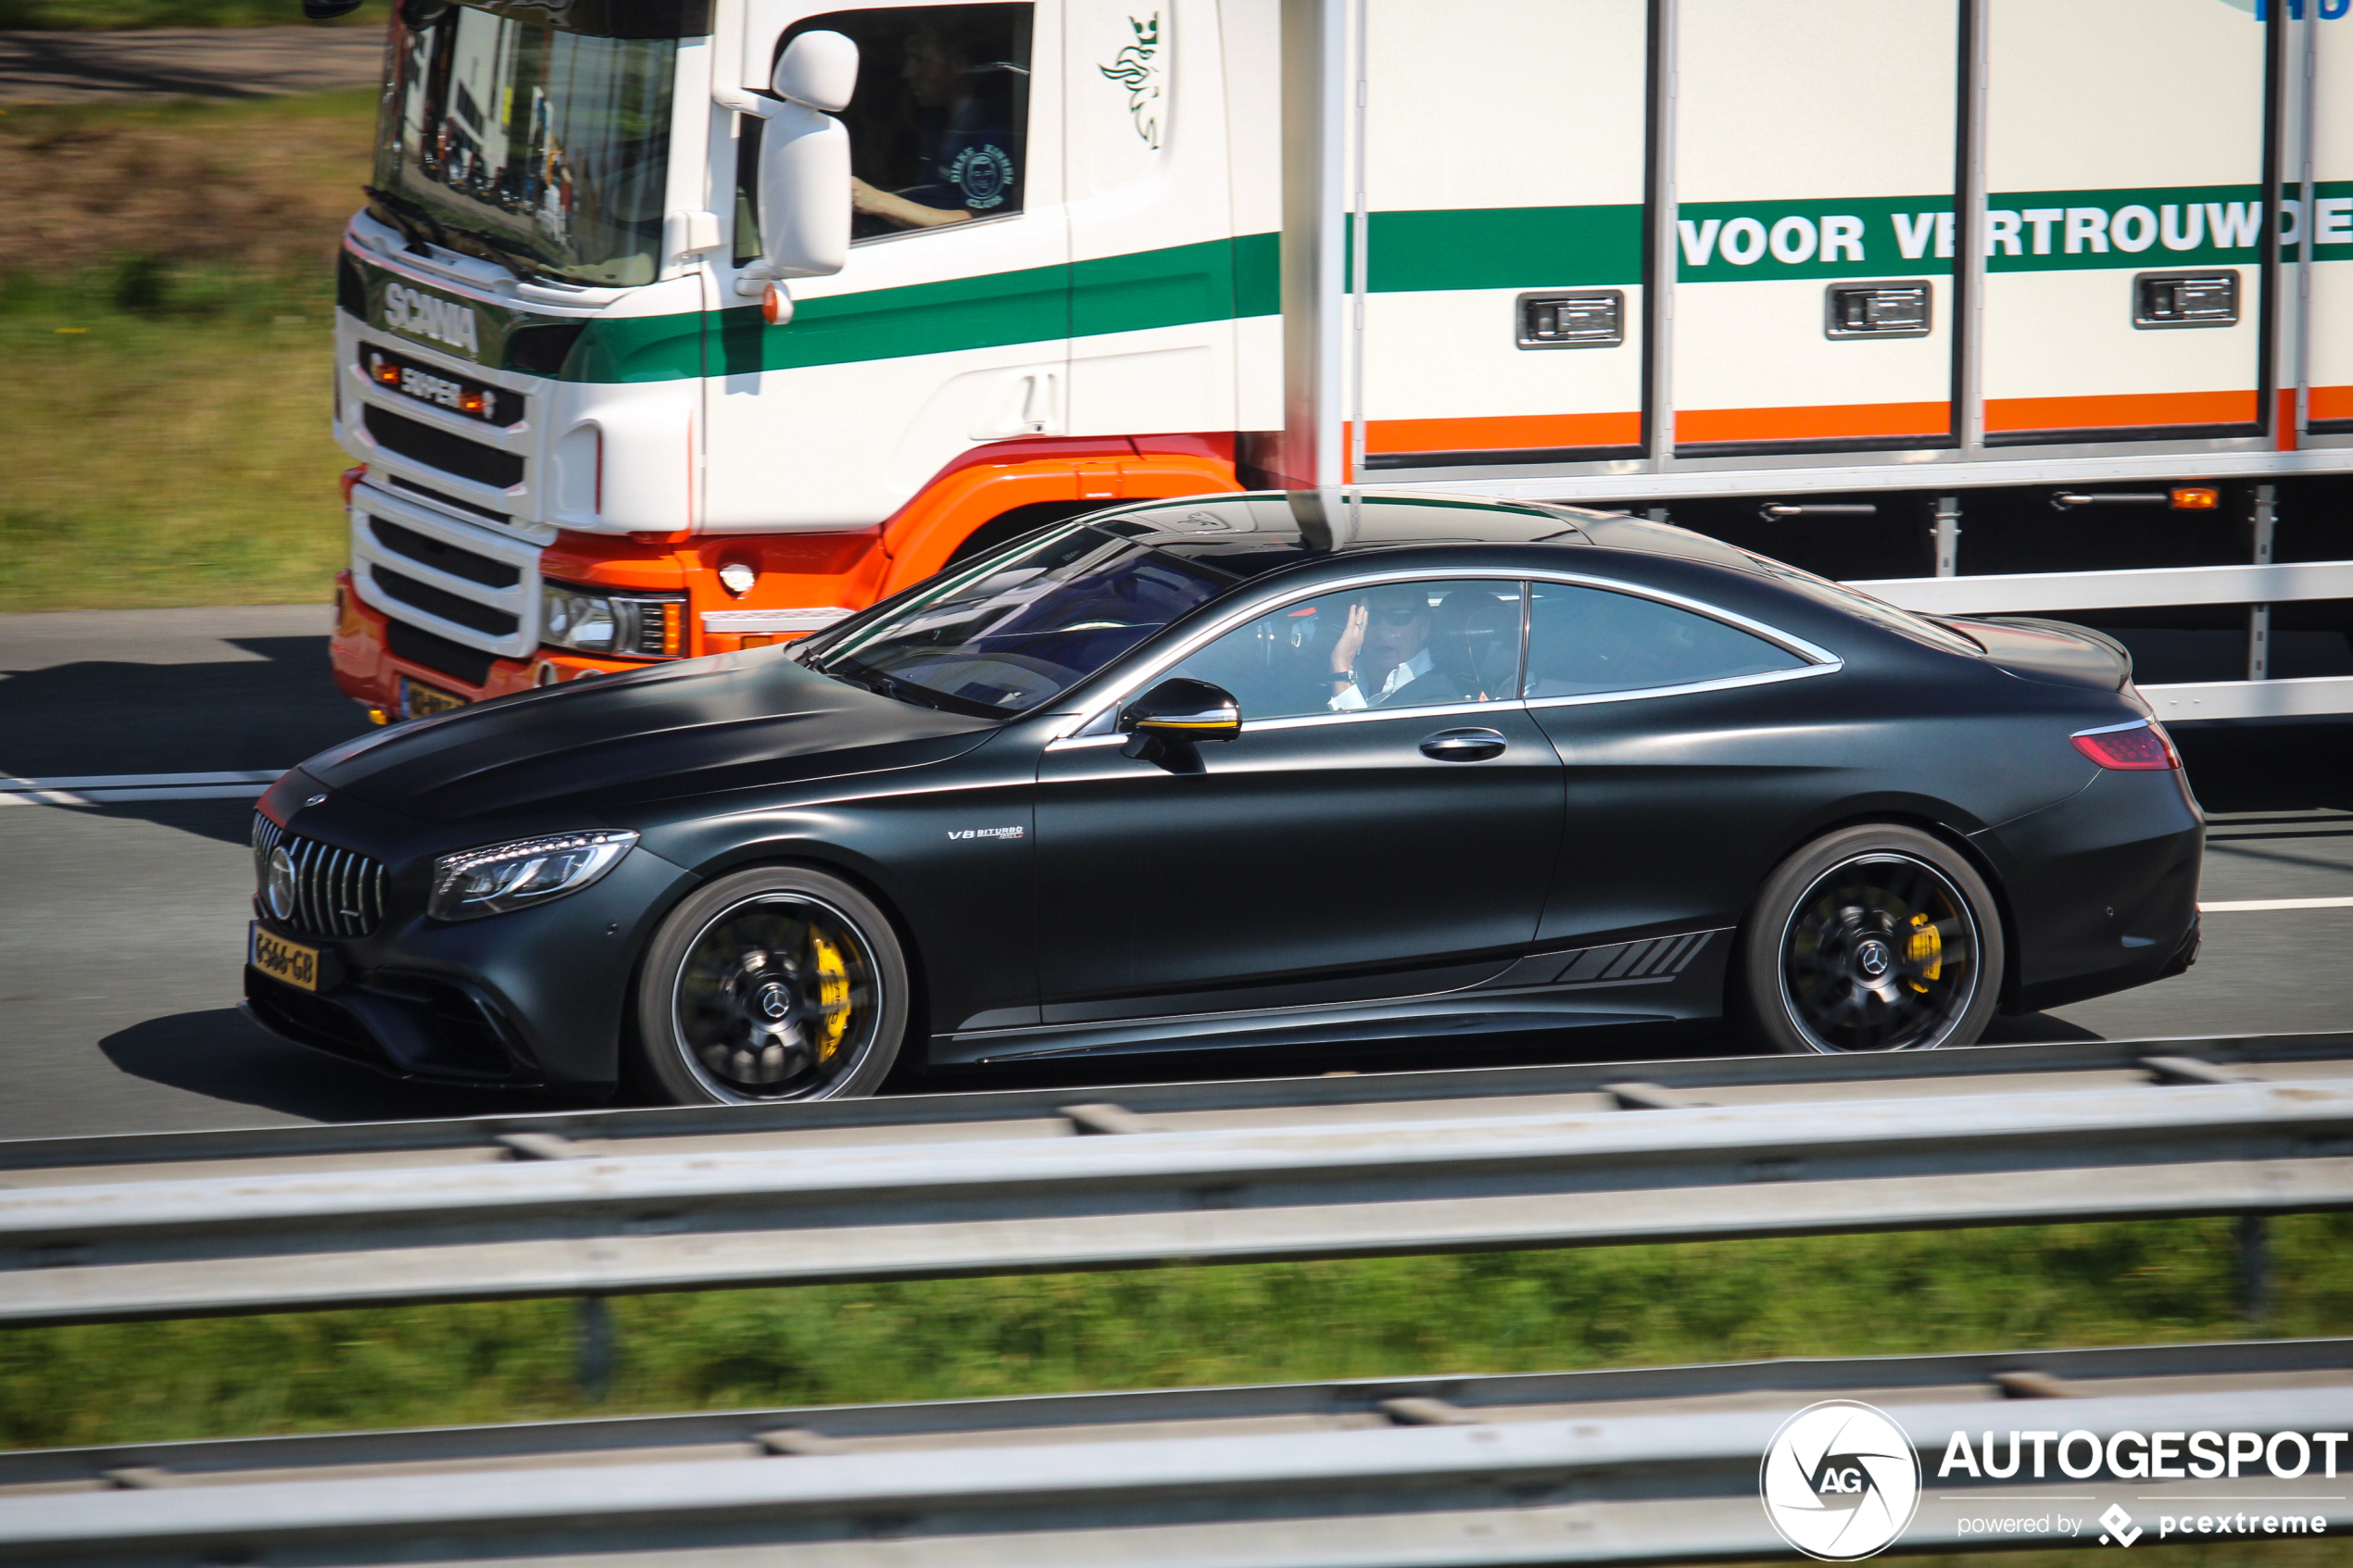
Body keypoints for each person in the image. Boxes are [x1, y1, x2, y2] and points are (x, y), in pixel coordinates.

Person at [849, 22, 1023, 232]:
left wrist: (878, 201)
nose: (907, 72)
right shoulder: (935, 121)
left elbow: (982, 223)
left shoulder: (993, 135)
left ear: (958, 65)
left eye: (920, 61)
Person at [1325, 585, 1465, 710]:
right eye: (1371, 617)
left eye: (1399, 616)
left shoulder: (1438, 699)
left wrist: (1340, 667)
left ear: (1423, 627)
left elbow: (1361, 738)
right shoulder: (1338, 679)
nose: (1383, 631)